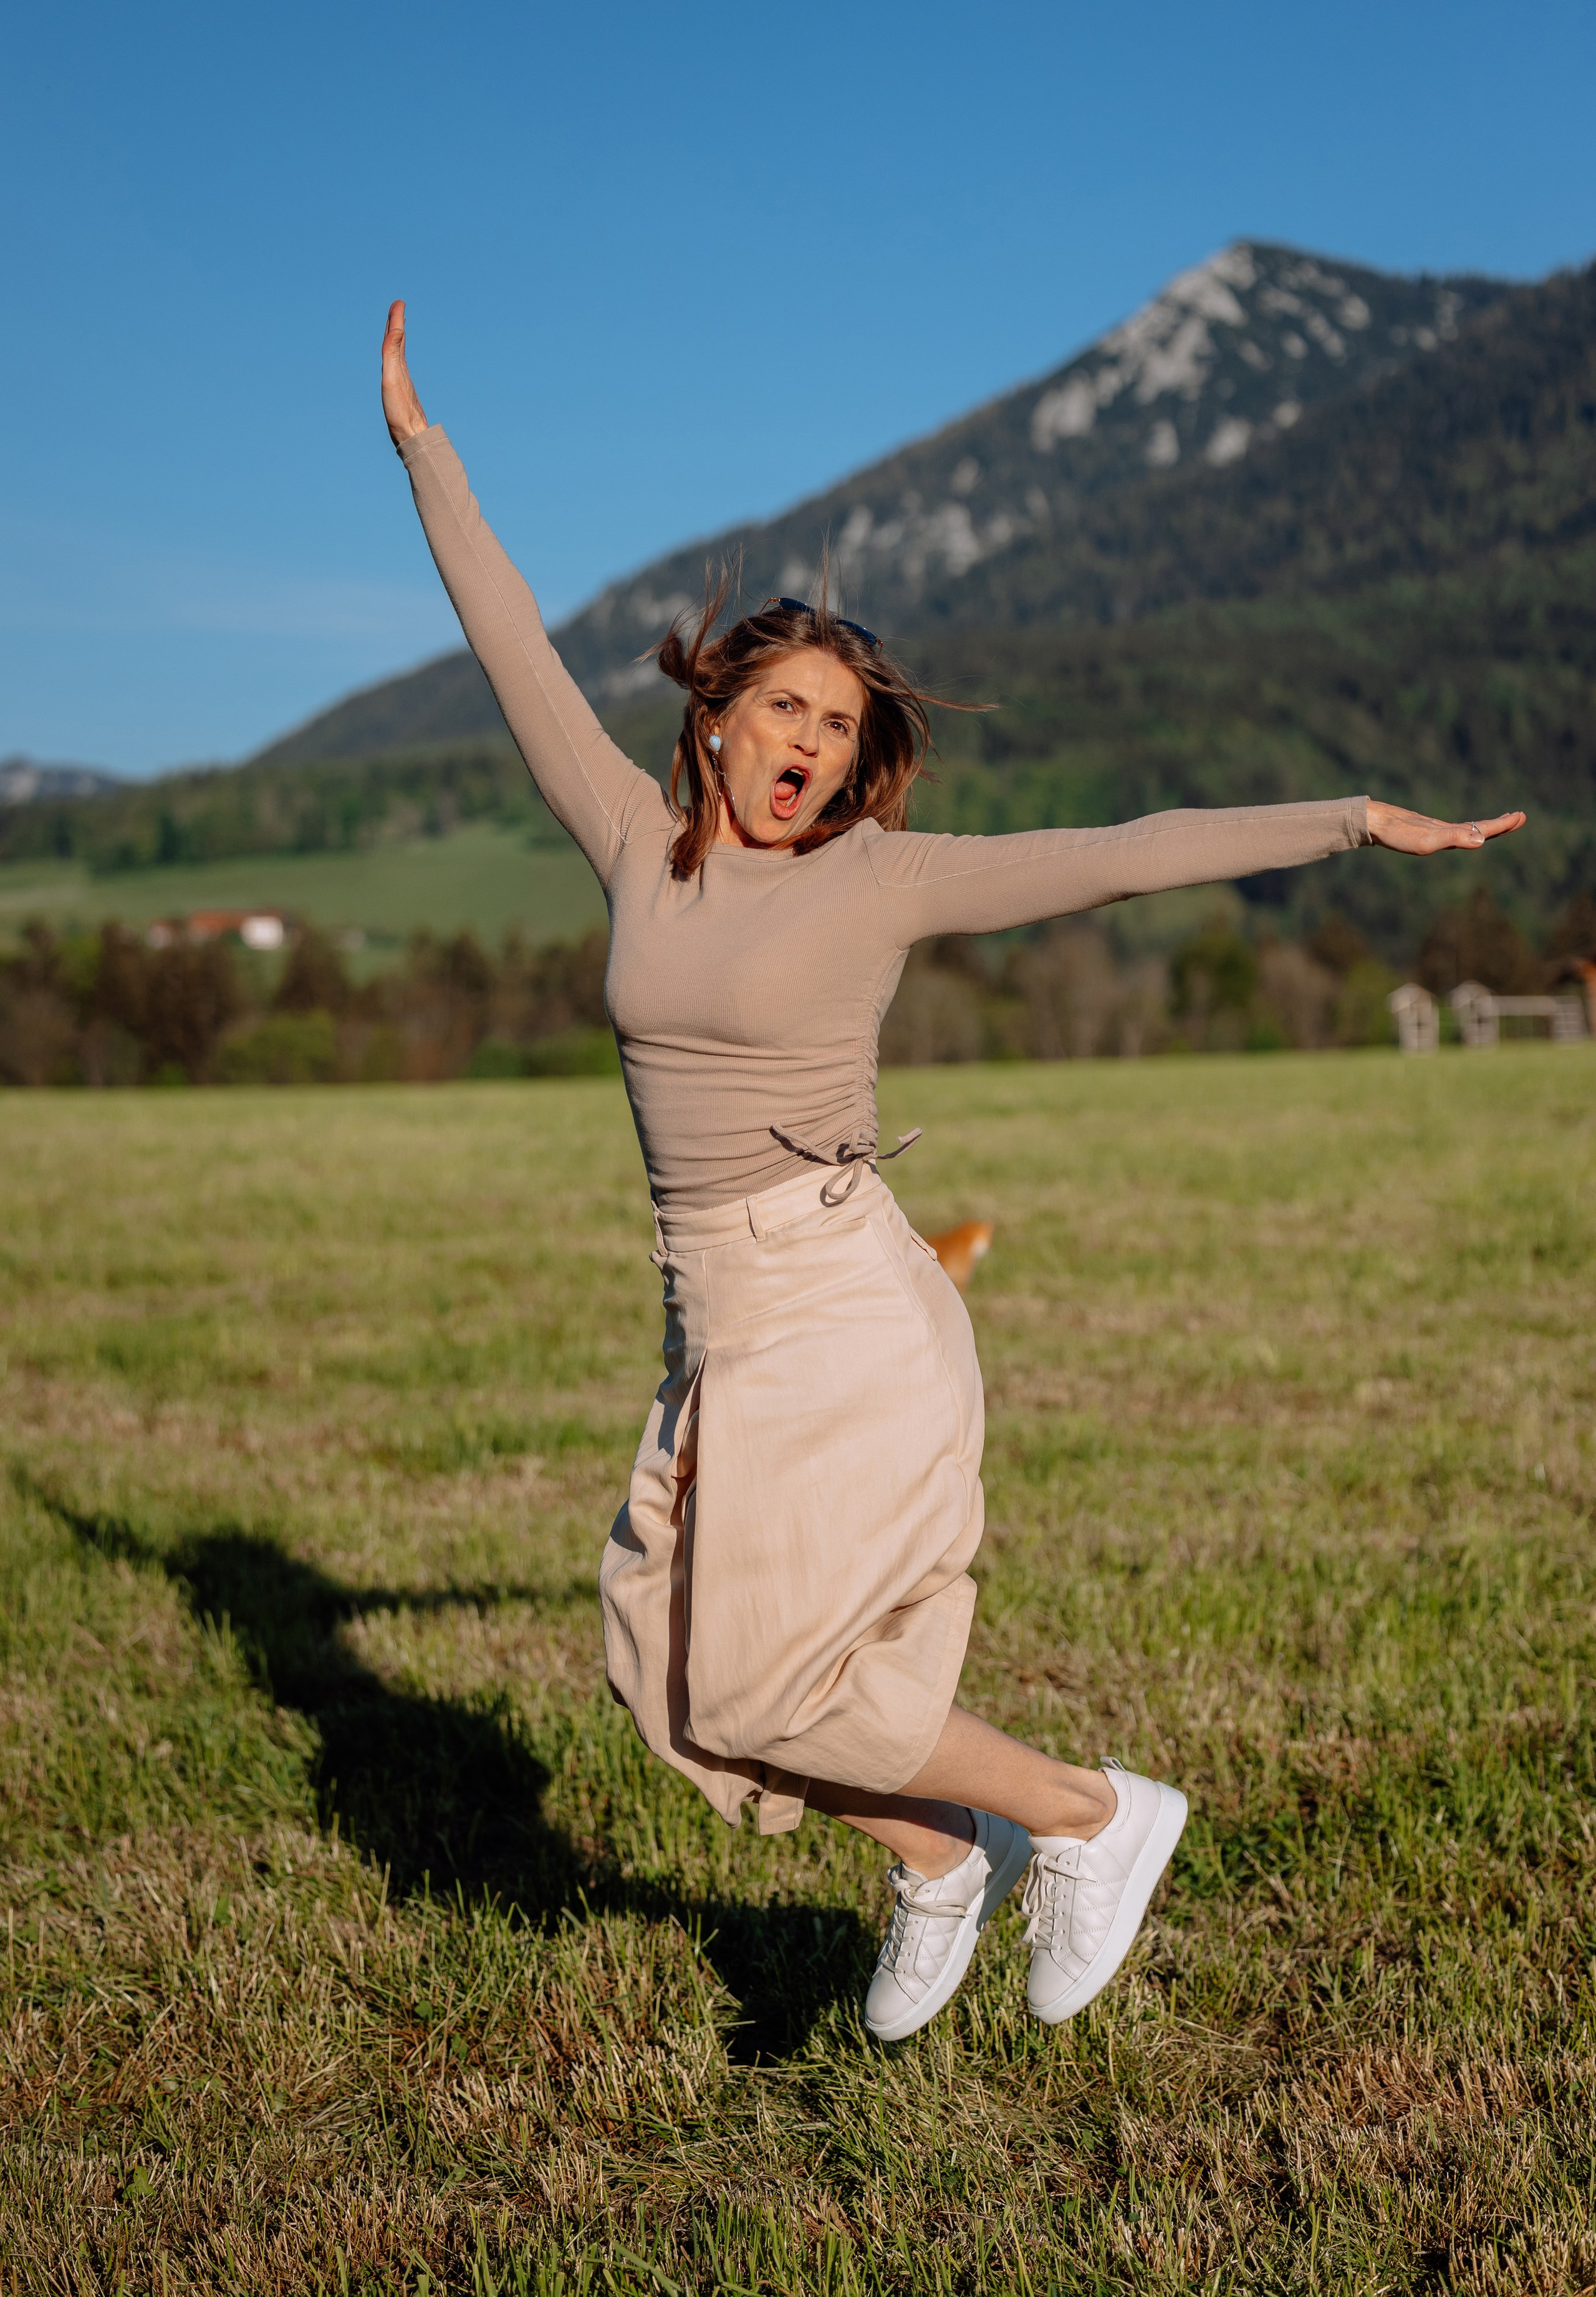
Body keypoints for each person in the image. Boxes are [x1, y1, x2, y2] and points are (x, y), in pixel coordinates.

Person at [380, 301, 1524, 2043]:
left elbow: (1124, 856)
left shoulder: (878, 883)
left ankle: (1089, 1815)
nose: (809, 747)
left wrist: (1356, 820)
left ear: (858, 757)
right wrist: (421, 449)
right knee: (675, 1681)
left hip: (837, 1296)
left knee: (769, 1675)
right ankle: (937, 1861)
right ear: (716, 718)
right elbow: (507, 639)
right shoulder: (631, 840)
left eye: (838, 727)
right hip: (715, 1317)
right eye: (783, 709)